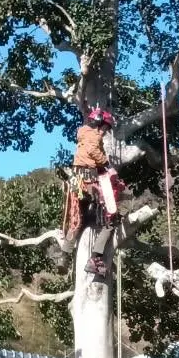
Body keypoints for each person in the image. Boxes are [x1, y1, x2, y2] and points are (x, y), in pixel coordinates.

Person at [70, 107, 124, 280]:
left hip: (78, 178)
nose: (106, 132)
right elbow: (94, 152)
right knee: (110, 220)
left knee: (82, 217)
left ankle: (65, 250)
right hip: (89, 178)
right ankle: (95, 259)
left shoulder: (83, 133)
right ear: (100, 124)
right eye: (106, 128)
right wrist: (107, 165)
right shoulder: (94, 136)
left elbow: (88, 153)